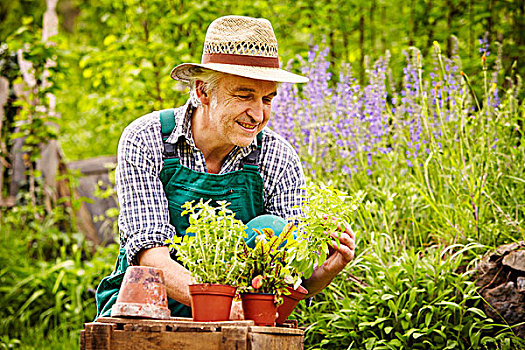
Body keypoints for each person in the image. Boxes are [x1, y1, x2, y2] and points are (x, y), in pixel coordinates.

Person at [95, 15, 356, 320]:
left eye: (267, 98)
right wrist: (226, 308)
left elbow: (285, 281)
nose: (258, 114)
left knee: (270, 229)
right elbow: (150, 257)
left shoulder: (277, 158)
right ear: (203, 92)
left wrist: (321, 273)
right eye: (244, 95)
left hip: (234, 319)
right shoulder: (147, 138)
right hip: (146, 311)